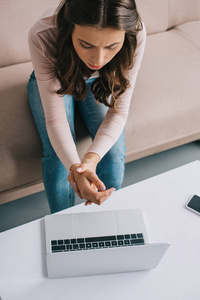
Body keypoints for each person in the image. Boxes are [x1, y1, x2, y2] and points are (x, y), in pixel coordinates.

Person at [27, 0, 146, 213]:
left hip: (98, 83)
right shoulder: (43, 34)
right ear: (69, 29)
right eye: (86, 44)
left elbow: (119, 112)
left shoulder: (135, 33)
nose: (98, 60)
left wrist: (90, 160)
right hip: (55, 79)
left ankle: (104, 216)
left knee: (114, 151)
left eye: (112, 46)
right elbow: (55, 121)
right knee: (57, 156)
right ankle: (63, 221)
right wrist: (76, 168)